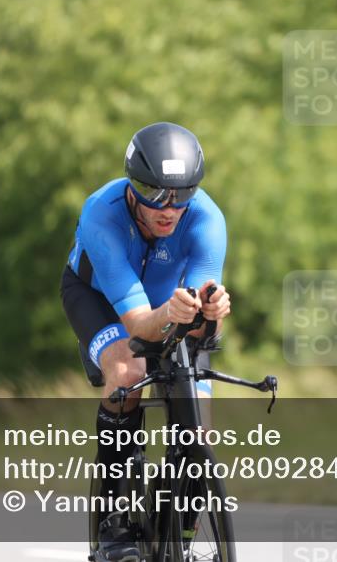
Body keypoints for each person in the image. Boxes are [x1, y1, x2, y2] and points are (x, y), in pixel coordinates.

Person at [60, 122, 230, 562]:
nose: (168, 208)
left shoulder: (208, 219)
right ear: (132, 185)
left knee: (199, 420)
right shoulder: (102, 212)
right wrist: (176, 315)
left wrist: (210, 314)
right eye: (153, 192)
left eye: (183, 193)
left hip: (167, 304)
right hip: (98, 298)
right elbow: (138, 326)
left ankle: (179, 525)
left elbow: (197, 322)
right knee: (127, 372)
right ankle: (113, 521)